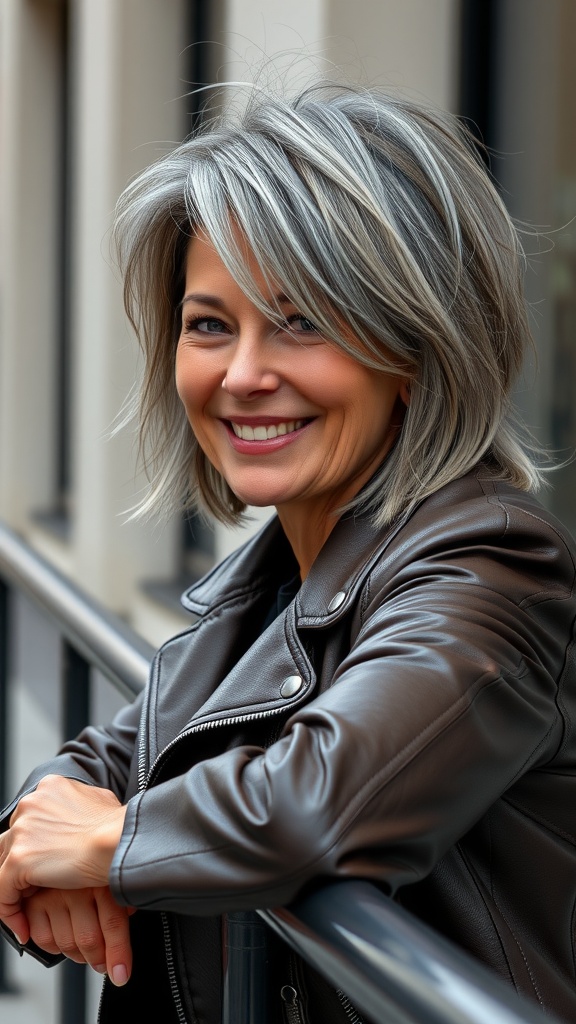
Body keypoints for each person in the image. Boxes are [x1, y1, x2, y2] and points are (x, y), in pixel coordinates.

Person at [0, 83, 575, 1024]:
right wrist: (45, 826)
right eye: (209, 324)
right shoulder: (277, 575)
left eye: (302, 320)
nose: (242, 375)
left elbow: (313, 806)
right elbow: (116, 756)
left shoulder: (493, 565)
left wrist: (107, 845)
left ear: (415, 348)